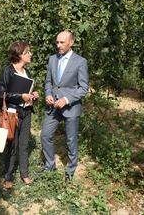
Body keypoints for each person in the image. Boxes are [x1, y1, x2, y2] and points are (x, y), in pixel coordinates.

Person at [40, 30, 89, 181]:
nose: (58, 45)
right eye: (57, 42)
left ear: (71, 42)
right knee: (45, 135)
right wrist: (48, 94)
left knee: (71, 140)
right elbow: (49, 82)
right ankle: (50, 165)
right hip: (53, 106)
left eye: (62, 42)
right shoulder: (52, 59)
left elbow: (83, 88)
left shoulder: (80, 62)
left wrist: (66, 99)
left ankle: (70, 170)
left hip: (71, 107)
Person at [0, 41, 39, 189]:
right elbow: (1, 93)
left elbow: (27, 92)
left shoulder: (27, 72)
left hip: (26, 112)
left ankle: (24, 173)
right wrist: (20, 96)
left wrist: (33, 95)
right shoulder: (7, 71)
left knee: (24, 144)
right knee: (12, 145)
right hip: (12, 113)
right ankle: (8, 176)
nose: (30, 54)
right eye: (28, 52)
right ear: (20, 54)